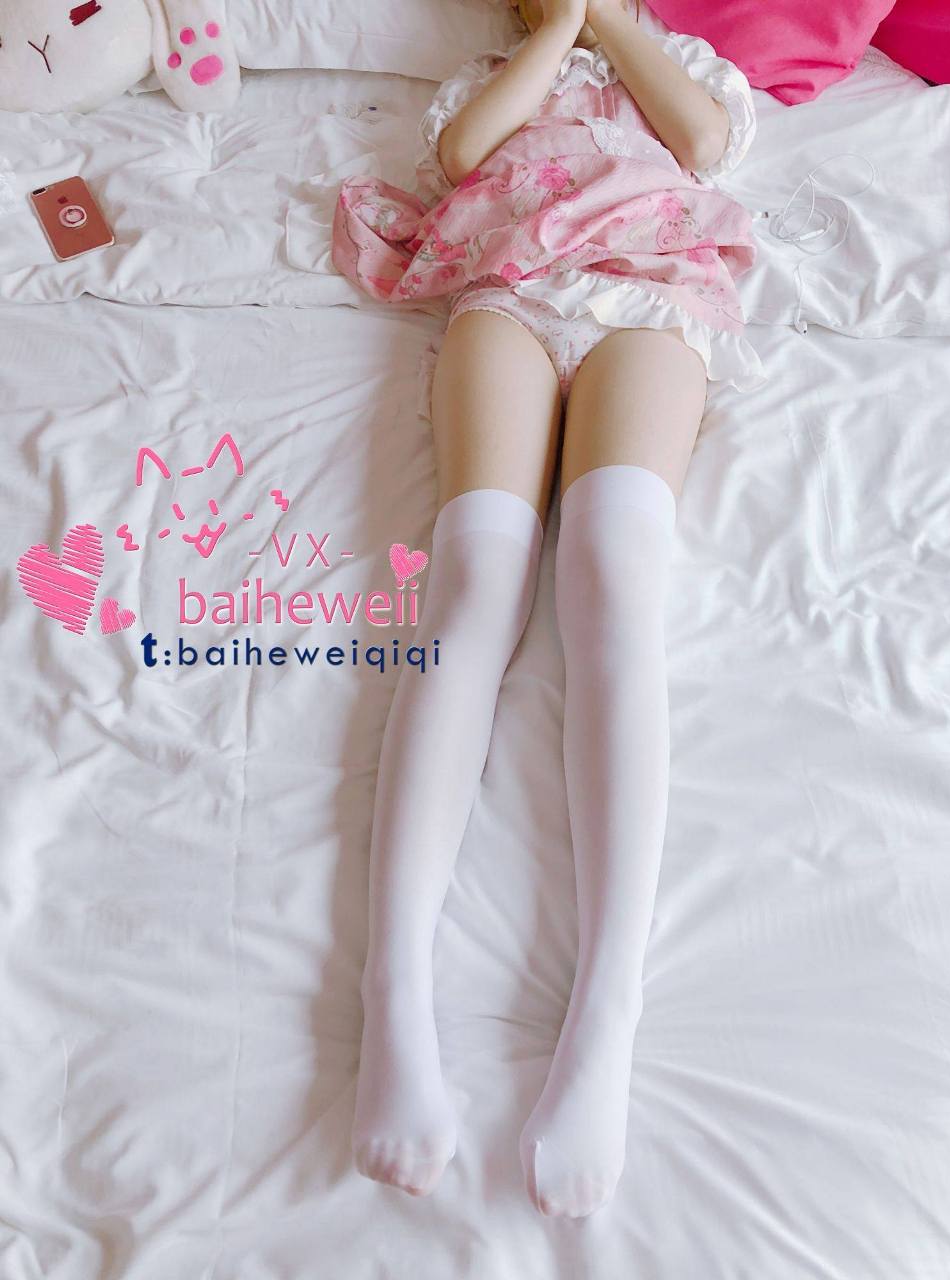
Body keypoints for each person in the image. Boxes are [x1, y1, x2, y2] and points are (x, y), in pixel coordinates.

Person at [332, 0, 763, 1219]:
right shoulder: (488, 73)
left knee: (611, 581)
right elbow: (462, 155)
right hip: (508, 299)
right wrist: (552, 32)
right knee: (472, 584)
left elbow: (703, 143)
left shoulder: (682, 64)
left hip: (649, 296)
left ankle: (604, 1012)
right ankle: (394, 997)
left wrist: (610, 23)